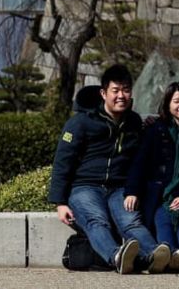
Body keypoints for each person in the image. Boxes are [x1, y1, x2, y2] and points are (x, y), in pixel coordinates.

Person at [48, 64, 160, 274]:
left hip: (119, 188)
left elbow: (140, 158)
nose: (121, 96)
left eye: (126, 90)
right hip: (85, 187)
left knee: (130, 221)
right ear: (103, 93)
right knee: (96, 220)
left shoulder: (134, 122)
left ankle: (154, 256)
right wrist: (59, 202)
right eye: (115, 91)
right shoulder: (81, 122)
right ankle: (116, 256)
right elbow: (63, 162)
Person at [124, 81, 179, 272]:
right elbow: (140, 164)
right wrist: (132, 191)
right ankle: (171, 254)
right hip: (159, 194)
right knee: (162, 217)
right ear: (168, 104)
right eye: (176, 101)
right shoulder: (155, 130)